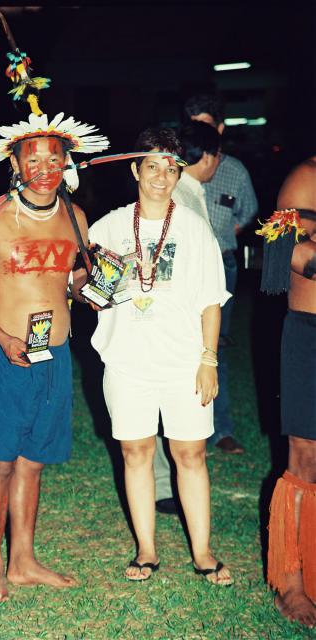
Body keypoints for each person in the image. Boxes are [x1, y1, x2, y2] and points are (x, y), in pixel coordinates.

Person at [0, 105, 108, 600]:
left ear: (65, 163)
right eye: (33, 160)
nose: (45, 169)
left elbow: (75, 277)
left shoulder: (75, 218)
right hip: (4, 355)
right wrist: (1, 337)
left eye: (54, 159)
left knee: (33, 462)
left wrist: (95, 286)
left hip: (53, 356)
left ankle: (24, 560)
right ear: (15, 164)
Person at [88, 126, 233, 585]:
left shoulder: (194, 229)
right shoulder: (108, 226)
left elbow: (212, 298)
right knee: (136, 452)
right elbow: (85, 288)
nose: (161, 177)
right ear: (135, 170)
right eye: (152, 166)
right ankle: (146, 550)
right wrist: (90, 291)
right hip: (127, 361)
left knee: (190, 454)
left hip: (183, 360)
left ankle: (204, 551)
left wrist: (208, 359)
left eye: (171, 168)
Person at [258, 157, 316, 628]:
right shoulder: (305, 179)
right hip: (311, 332)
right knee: (306, 459)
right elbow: (284, 255)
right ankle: (293, 584)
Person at [184, 94, 258, 454]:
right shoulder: (176, 169)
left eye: (206, 126)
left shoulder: (234, 171)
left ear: (221, 128)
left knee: (217, 346)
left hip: (222, 265)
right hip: (182, 270)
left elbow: (247, 214)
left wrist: (219, 245)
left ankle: (221, 428)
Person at [154, 121, 221, 515]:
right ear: (209, 157)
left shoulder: (189, 194)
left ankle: (169, 484)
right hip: (176, 322)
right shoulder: (182, 198)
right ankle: (166, 486)